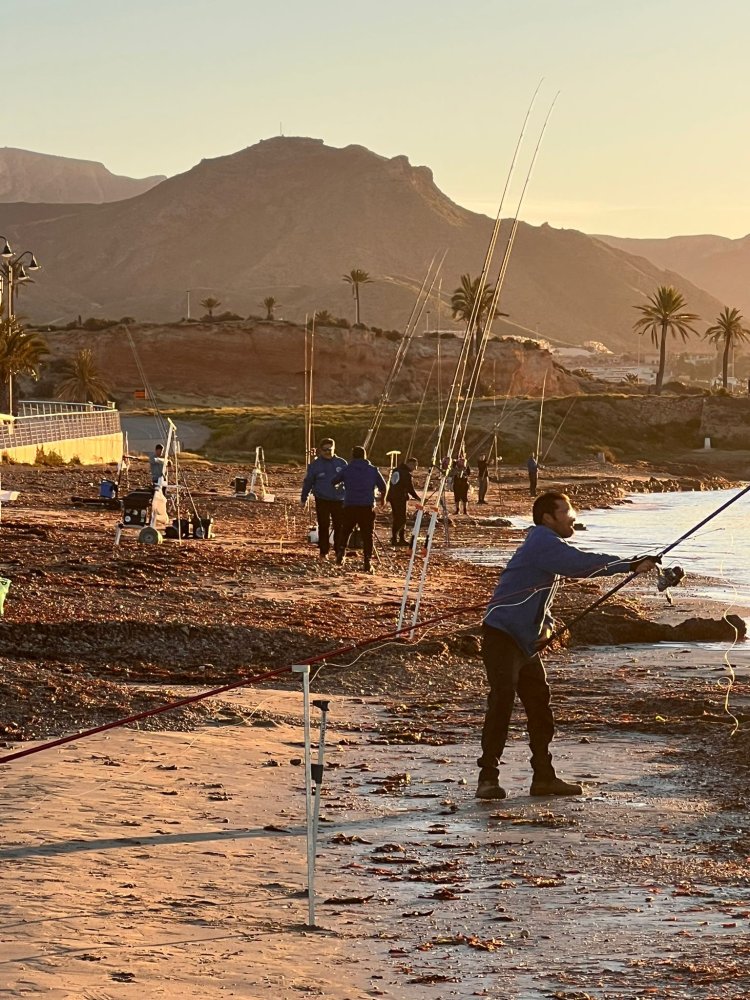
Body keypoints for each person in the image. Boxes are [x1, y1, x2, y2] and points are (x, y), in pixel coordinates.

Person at [476, 491, 659, 800]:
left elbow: (540, 597)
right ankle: (488, 779)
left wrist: (546, 627)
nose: (574, 515)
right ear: (548, 517)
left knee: (539, 706)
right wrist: (630, 564)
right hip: (501, 635)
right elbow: (580, 564)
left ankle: (544, 778)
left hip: (524, 642)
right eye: (567, 510)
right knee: (503, 702)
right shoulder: (542, 543)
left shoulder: (545, 543)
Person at [332, 446, 387, 573]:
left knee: (345, 531)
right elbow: (383, 487)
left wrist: (340, 489)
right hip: (366, 506)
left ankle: (341, 553)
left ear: (352, 456)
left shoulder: (347, 469)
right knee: (368, 535)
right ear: (365, 455)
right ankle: (367, 561)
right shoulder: (373, 470)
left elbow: (334, 481)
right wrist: (382, 499)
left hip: (350, 504)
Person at [300, 438, 347, 560]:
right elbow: (308, 482)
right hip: (322, 499)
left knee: (339, 526)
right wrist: (303, 498)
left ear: (334, 449)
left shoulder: (342, 463)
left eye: (330, 449)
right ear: (320, 451)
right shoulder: (315, 465)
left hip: (339, 500)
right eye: (325, 450)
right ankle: (323, 551)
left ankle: (338, 552)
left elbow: (350, 481)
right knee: (324, 525)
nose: (327, 452)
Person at [388, 457, 420, 546]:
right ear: (410, 464)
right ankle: (398, 538)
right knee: (402, 519)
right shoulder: (406, 474)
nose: (415, 468)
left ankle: (396, 538)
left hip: (392, 497)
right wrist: (418, 498)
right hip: (400, 498)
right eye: (415, 466)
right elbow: (410, 488)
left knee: (397, 518)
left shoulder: (396, 470)